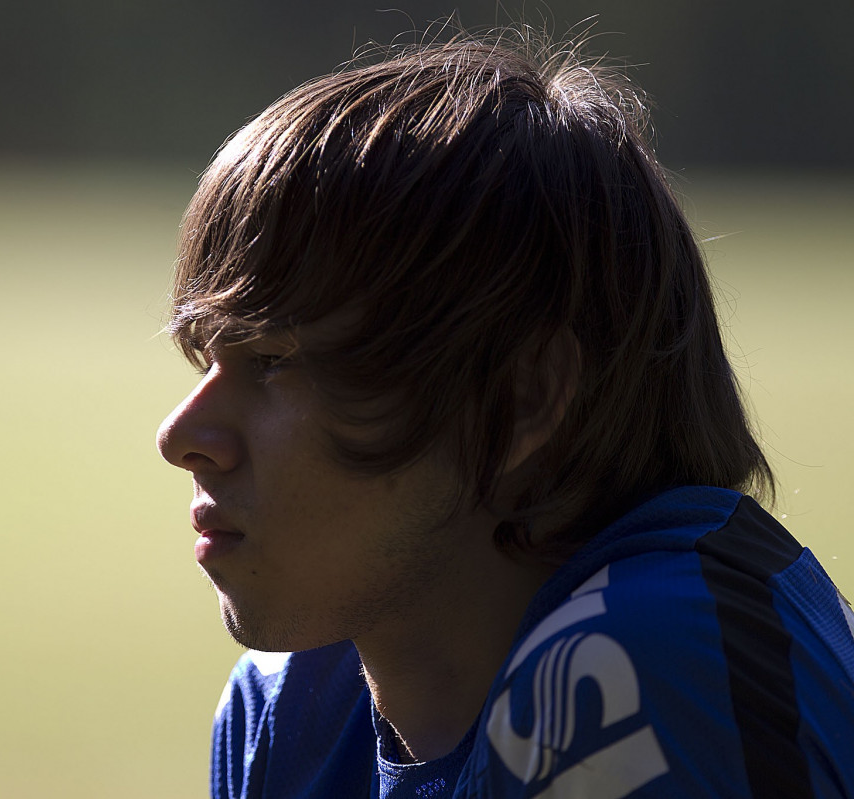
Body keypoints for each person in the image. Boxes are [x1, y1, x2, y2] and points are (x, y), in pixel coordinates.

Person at [155, 26, 854, 799]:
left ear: (520, 398)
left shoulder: (636, 672)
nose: (183, 437)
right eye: (206, 358)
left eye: (274, 360)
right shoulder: (287, 711)